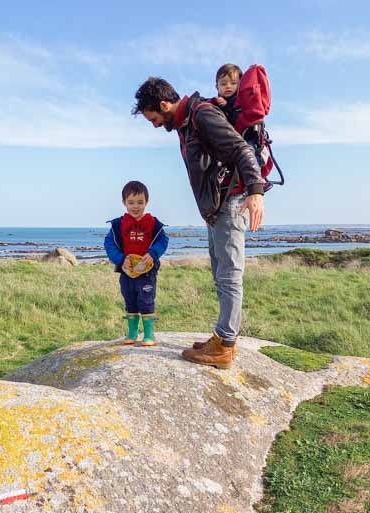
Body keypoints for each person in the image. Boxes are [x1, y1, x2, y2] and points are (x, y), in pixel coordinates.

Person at [132, 77, 265, 369]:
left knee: (230, 275)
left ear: (164, 105)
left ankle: (225, 346)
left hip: (231, 202)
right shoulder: (188, 120)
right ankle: (221, 337)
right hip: (217, 207)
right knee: (220, 274)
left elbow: (241, 149)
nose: (154, 125)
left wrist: (255, 192)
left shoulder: (201, 114)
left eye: (153, 118)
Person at [104, 181, 169, 346]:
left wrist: (153, 253)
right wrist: (119, 259)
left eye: (140, 202)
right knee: (130, 300)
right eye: (131, 202)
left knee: (146, 300)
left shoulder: (153, 223)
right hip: (127, 271)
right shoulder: (118, 225)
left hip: (147, 272)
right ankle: (132, 333)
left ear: (146, 202)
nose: (135, 206)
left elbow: (163, 240)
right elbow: (109, 244)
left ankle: (149, 335)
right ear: (124, 202)